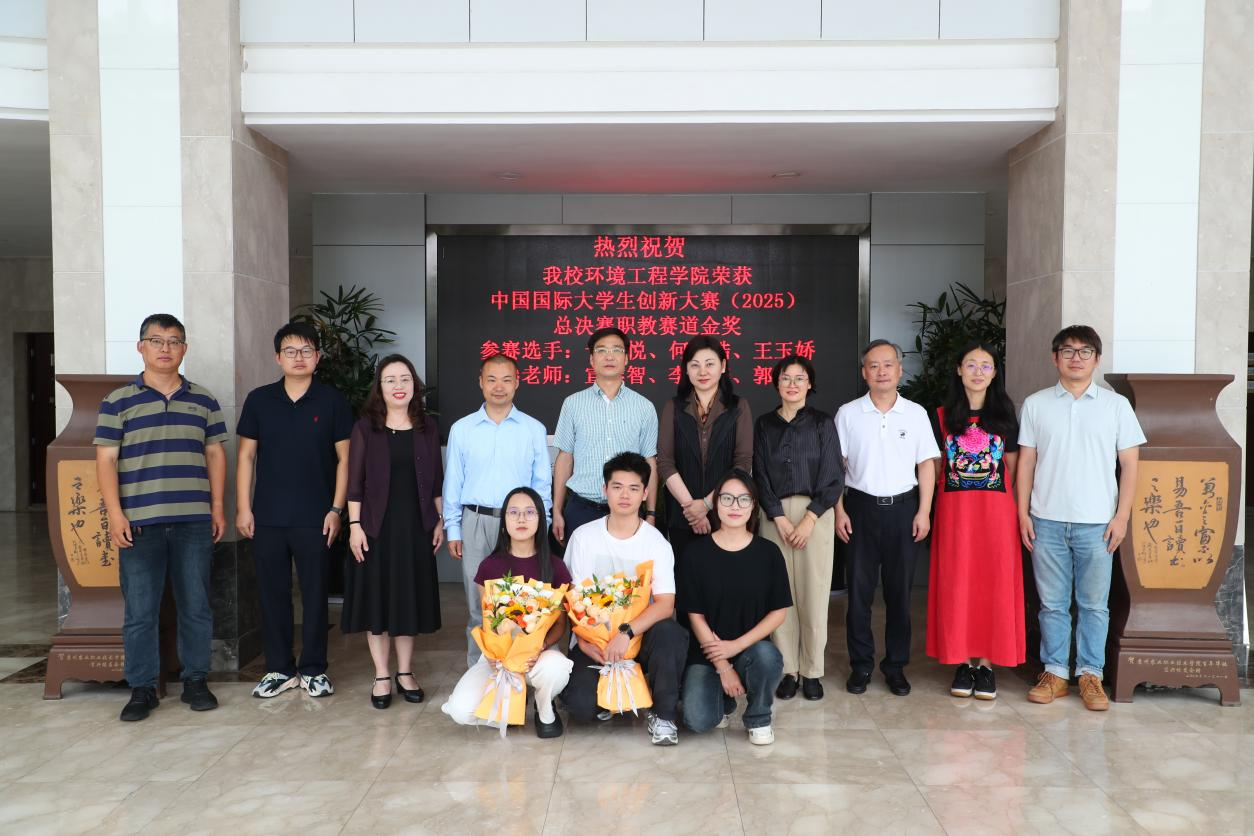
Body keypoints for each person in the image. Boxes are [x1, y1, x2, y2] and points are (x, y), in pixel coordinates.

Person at [94, 314, 227, 722]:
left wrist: (217, 508)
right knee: (140, 610)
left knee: (196, 605)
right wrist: (115, 514)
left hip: (193, 520)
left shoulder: (204, 400)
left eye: (174, 341)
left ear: (184, 349)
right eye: (156, 340)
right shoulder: (118, 401)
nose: (165, 348)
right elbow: (106, 460)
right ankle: (142, 688)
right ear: (141, 347)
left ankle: (195, 680)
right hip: (139, 523)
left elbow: (215, 454)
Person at [1018, 325, 1144, 711]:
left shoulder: (1115, 406)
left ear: (1097, 359)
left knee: (1094, 605)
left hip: (1097, 523)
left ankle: (1091, 674)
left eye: (1085, 351)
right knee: (1052, 604)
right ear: (1055, 358)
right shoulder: (1036, 404)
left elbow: (1131, 465)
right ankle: (1055, 673)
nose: (1076, 358)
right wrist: (1023, 513)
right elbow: (1026, 463)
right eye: (1068, 350)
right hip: (1046, 520)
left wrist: (1121, 517)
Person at [236, 322, 352, 699]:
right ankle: (279, 669)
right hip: (267, 516)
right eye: (290, 351)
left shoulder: (332, 401)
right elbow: (246, 457)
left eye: (306, 351)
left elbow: (345, 459)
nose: (298, 357)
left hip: (316, 517)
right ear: (278, 357)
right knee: (272, 594)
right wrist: (243, 508)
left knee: (315, 595)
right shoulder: (259, 400)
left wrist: (336, 509)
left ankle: (314, 669)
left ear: (317, 357)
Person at [560, 452, 689, 745]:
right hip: (594, 641)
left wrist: (626, 633)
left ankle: (664, 714)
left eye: (633, 488)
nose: (625, 495)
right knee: (580, 707)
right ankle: (608, 695)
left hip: (639, 637)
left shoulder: (655, 542)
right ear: (605, 490)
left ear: (645, 494)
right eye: (617, 487)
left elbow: (665, 604)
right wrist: (582, 640)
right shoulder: (583, 537)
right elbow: (572, 597)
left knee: (670, 632)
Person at [834, 340, 939, 697]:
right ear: (864, 372)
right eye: (873, 366)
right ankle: (861, 666)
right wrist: (839, 510)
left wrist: (924, 511)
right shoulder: (848, 414)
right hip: (859, 510)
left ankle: (895, 666)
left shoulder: (916, 413)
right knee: (859, 596)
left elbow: (926, 465)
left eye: (888, 364)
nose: (881, 371)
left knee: (899, 596)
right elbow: (836, 469)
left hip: (904, 511)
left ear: (899, 370)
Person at [344, 354, 445, 709]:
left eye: (405, 379)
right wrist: (354, 527)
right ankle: (382, 675)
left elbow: (436, 481)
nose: (398, 386)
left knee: (407, 602)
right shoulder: (365, 428)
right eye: (390, 380)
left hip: (416, 528)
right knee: (379, 602)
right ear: (380, 387)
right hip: (375, 529)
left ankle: (405, 672)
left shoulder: (427, 427)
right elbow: (354, 484)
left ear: (414, 385)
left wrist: (439, 520)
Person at [926, 342, 1025, 700]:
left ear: (995, 373)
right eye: (971, 364)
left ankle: (986, 665)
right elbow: (935, 467)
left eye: (986, 365)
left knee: (993, 584)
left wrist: (1019, 514)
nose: (978, 372)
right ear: (958, 370)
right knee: (957, 583)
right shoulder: (940, 417)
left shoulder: (1006, 417)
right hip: (955, 516)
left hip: (996, 516)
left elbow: (1013, 471)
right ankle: (961, 662)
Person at [444, 353, 553, 669]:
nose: (499, 387)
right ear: (480, 382)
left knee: (521, 605)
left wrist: (541, 527)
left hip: (520, 525)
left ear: (517, 383)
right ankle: (480, 674)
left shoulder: (533, 429)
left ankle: (520, 672)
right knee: (479, 607)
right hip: (475, 522)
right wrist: (453, 528)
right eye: (491, 379)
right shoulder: (462, 429)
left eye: (506, 379)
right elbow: (453, 481)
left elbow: (541, 485)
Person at [441, 487, 574, 738]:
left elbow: (560, 624)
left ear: (540, 519)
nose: (521, 519)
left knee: (556, 669)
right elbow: (488, 621)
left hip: (538, 654)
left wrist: (542, 646)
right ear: (504, 521)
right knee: (460, 710)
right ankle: (513, 706)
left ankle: (545, 708)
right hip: (498, 657)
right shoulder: (489, 567)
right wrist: (494, 655)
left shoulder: (555, 566)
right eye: (513, 512)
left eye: (529, 512)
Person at [753, 354, 844, 702]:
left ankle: (812, 671)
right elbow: (760, 473)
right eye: (786, 378)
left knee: (814, 594)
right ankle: (788, 670)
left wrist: (809, 519)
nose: (792, 384)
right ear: (776, 383)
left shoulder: (823, 424)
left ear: (810, 384)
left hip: (815, 515)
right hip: (774, 515)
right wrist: (777, 516)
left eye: (799, 378)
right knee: (780, 594)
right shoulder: (764, 425)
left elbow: (834, 475)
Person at [679, 469, 791, 745]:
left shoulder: (768, 553)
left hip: (751, 650)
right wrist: (723, 667)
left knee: (768, 657)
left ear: (753, 506)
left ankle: (759, 717)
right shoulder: (695, 554)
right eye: (727, 498)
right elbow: (695, 616)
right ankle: (725, 699)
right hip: (707, 654)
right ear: (716, 504)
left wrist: (735, 647)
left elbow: (779, 612)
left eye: (744, 499)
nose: (735, 506)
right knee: (697, 720)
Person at [552, 327, 659, 544]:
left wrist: (651, 513)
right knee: (579, 566)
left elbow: (650, 461)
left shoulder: (644, 407)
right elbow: (565, 458)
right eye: (601, 350)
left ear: (626, 359)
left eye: (616, 350)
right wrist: (557, 510)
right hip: (581, 509)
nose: (609, 356)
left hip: (628, 510)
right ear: (592, 360)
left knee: (628, 566)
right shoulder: (573, 404)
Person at [658, 335, 753, 568]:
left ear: (723, 366)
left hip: (726, 513)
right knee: (686, 580)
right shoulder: (673, 407)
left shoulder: (738, 407)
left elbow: (742, 463)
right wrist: (692, 508)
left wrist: (707, 505)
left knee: (725, 579)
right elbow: (665, 462)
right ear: (686, 370)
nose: (703, 371)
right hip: (683, 516)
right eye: (695, 365)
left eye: (710, 364)